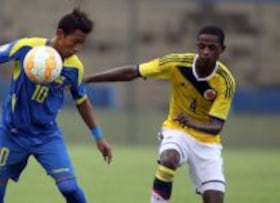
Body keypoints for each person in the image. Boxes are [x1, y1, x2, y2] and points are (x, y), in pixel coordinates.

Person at [0, 9, 112, 203]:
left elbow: (82, 100)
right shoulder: (28, 48)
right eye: (75, 41)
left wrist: (99, 137)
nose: (78, 48)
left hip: (46, 135)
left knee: (69, 187)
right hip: (11, 132)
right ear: (60, 33)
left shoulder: (74, 67)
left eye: (82, 43)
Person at [86, 25, 235, 203]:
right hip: (177, 129)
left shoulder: (225, 81)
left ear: (222, 50)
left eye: (212, 48)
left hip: (207, 142)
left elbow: (216, 126)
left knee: (214, 199)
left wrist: (192, 123)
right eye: (202, 46)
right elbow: (133, 71)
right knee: (169, 158)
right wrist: (88, 79)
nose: (205, 52)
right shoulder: (177, 63)